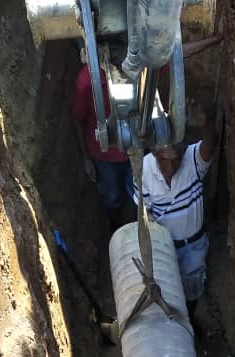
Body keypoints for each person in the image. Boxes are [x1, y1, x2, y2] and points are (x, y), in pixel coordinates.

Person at [137, 104, 215, 312]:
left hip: (193, 247)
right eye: (165, 160)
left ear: (183, 150)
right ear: (154, 152)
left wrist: (205, 125)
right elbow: (144, 209)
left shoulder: (193, 159)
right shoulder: (143, 169)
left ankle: (190, 319)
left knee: (192, 289)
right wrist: (151, 224)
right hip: (165, 248)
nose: (171, 167)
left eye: (176, 160)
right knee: (166, 291)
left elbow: (209, 145)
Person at [72, 52, 134, 231]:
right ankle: (115, 231)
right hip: (104, 157)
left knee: (139, 197)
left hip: (134, 151)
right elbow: (77, 118)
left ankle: (136, 230)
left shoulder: (139, 66)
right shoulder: (87, 80)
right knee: (112, 197)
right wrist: (86, 158)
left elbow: (166, 56)